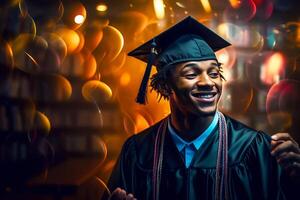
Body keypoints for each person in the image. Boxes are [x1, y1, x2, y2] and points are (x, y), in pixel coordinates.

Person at [104, 16, 300, 200]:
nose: (208, 82)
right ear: (165, 86)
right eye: (191, 75)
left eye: (214, 73)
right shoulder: (138, 151)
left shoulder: (253, 148)